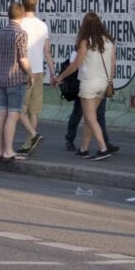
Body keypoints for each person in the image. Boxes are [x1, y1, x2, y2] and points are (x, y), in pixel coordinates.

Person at [52, 12, 116, 161]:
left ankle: (102, 148)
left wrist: (60, 77)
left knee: (90, 117)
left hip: (88, 84)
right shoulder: (109, 42)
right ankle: (83, 149)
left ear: (84, 26)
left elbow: (76, 64)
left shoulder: (85, 42)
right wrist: (108, 80)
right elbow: (113, 66)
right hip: (103, 84)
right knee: (90, 118)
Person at [0, 2, 33, 162]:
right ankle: (9, 151)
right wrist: (30, 74)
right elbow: (23, 59)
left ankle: (0, 150)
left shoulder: (0, 32)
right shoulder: (21, 33)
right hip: (16, 78)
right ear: (23, 15)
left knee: (2, 113)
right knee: (14, 114)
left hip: (2, 77)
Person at [16, 0, 52, 155]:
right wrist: (53, 72)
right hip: (38, 71)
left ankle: (33, 135)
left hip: (24, 71)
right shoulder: (42, 25)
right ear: (35, 5)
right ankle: (28, 142)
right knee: (34, 110)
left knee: (19, 108)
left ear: (23, 5)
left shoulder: (20, 24)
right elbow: (47, 51)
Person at [63, 49, 118, 153]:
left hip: (98, 84)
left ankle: (103, 144)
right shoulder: (81, 47)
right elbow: (73, 65)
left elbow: (110, 64)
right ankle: (70, 139)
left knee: (98, 115)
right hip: (85, 84)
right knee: (79, 113)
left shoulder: (103, 46)